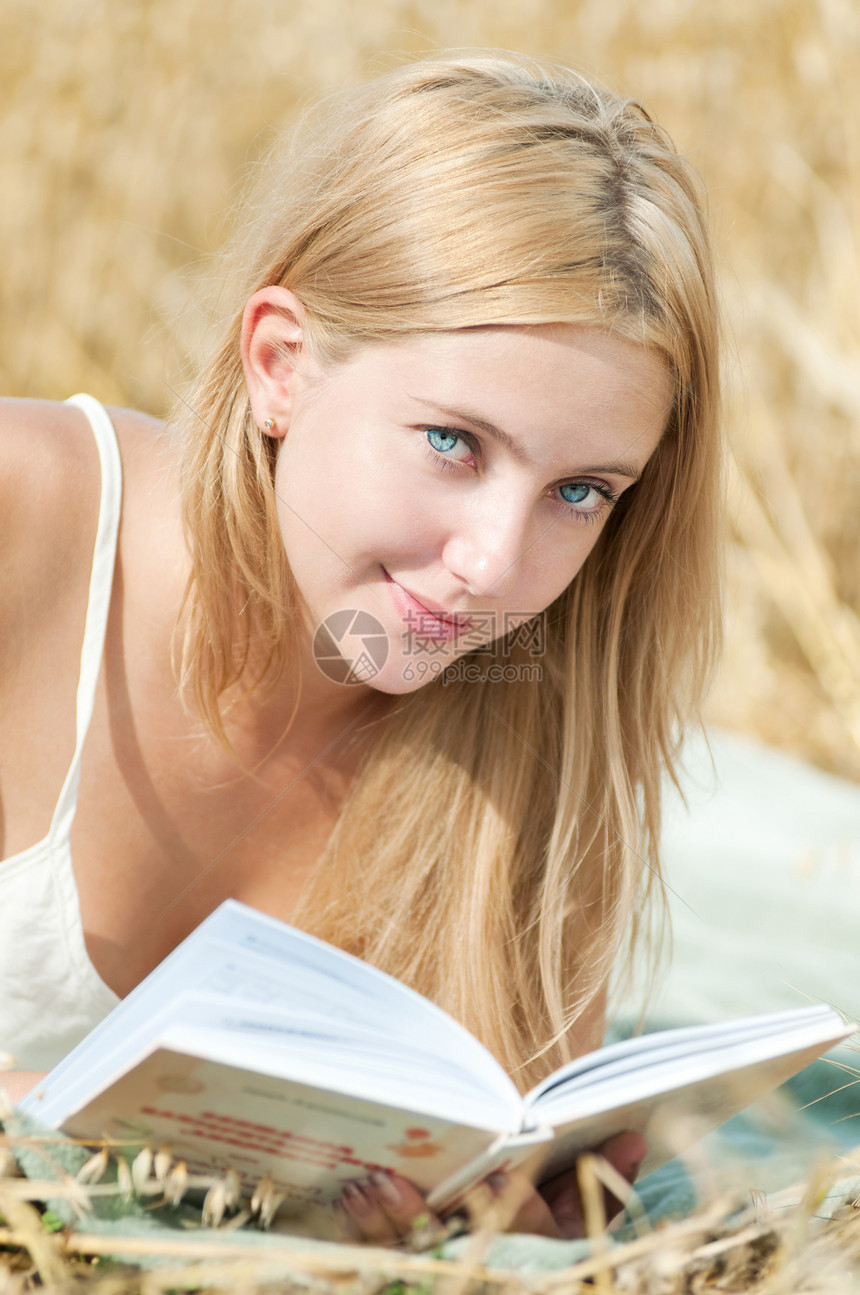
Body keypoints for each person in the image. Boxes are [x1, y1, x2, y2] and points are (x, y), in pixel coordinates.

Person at [0, 52, 720, 1240]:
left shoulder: (540, 736)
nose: (496, 561)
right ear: (281, 363)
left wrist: (482, 1238)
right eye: (452, 442)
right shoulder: (29, 519)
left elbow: (487, 1180)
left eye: (581, 491)